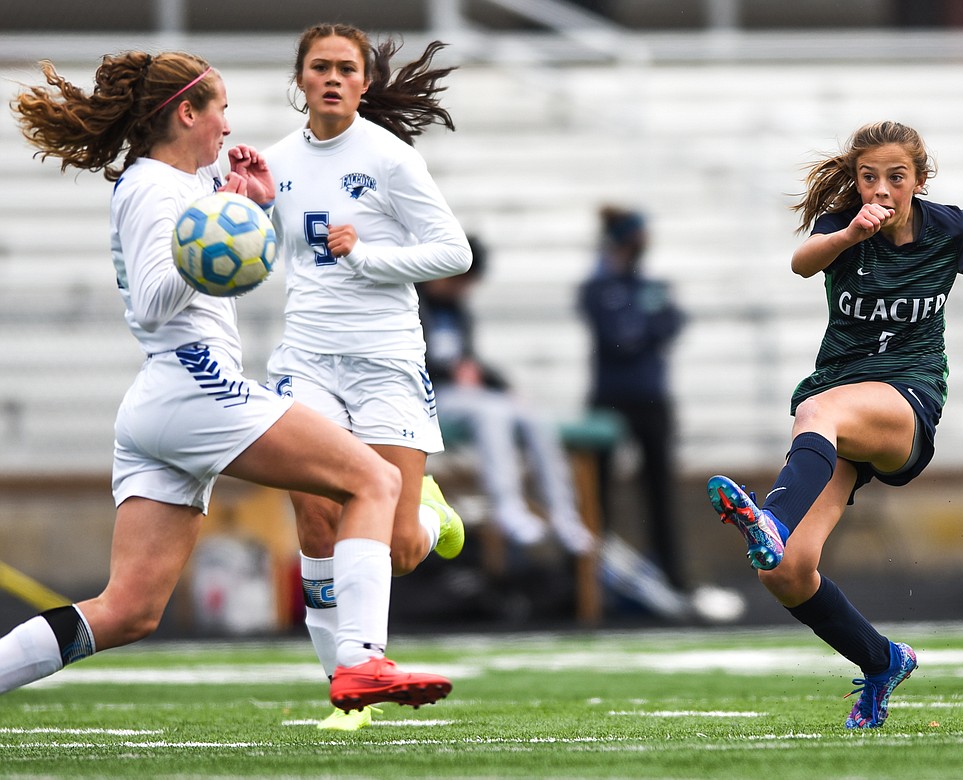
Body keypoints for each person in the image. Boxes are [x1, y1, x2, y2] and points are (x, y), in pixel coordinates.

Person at [0, 51, 452, 714]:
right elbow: (156, 299)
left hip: (163, 399)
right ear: (186, 112)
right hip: (197, 386)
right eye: (220, 110)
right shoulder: (155, 188)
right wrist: (219, 222)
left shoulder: (176, 182)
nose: (227, 127)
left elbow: (217, 237)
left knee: (127, 610)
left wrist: (246, 203)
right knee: (374, 480)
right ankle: (361, 662)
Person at [705, 120, 963, 729]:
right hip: (845, 402)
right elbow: (801, 264)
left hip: (908, 397)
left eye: (895, 178)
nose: (880, 189)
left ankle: (770, 516)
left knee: (815, 414)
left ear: (919, 181)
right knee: (788, 571)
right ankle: (883, 662)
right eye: (868, 177)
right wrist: (849, 233)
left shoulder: (944, 227)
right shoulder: (845, 225)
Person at [262, 24, 471, 730]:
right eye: (318, 66)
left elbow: (454, 252)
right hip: (306, 360)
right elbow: (257, 253)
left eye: (345, 68)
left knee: (401, 548)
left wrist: (369, 256)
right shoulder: (274, 162)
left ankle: (429, 513)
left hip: (385, 361)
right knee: (317, 521)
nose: (331, 77)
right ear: (300, 80)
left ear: (363, 83)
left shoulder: (390, 158)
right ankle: (349, 686)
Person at [418, 236, 595, 554]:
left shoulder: (458, 311)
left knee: (532, 414)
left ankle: (564, 515)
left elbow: (471, 361)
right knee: (492, 412)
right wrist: (450, 372)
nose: (464, 288)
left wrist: (506, 387)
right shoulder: (413, 301)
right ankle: (507, 508)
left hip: (465, 393)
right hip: (431, 395)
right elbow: (418, 360)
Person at [578, 207, 688, 592]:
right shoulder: (597, 287)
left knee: (659, 491)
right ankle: (592, 582)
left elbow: (672, 323)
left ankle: (671, 576)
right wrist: (647, 325)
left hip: (652, 399)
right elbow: (620, 340)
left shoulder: (648, 285)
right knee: (597, 494)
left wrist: (643, 326)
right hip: (610, 399)